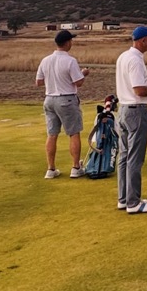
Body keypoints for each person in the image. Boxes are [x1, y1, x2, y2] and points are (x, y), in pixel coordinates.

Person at [115, 25, 147, 214]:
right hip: (137, 111)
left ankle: (124, 198)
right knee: (135, 158)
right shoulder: (135, 60)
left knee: (124, 156)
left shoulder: (123, 57)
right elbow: (139, 90)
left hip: (124, 110)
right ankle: (134, 203)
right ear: (143, 40)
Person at [36, 29, 90, 179]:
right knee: (73, 133)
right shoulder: (70, 61)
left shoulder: (45, 60)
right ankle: (75, 167)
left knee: (52, 134)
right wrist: (83, 73)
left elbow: (38, 82)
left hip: (49, 99)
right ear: (67, 43)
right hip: (66, 98)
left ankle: (51, 169)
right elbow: (78, 82)